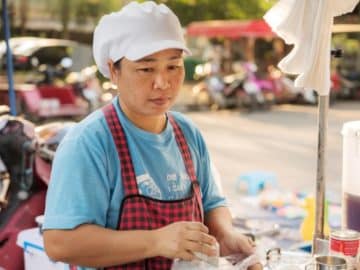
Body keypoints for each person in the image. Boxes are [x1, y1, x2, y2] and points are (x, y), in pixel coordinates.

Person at [43, 1, 262, 270]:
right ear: (114, 70)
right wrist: (156, 241)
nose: (163, 83)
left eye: (173, 66)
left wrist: (225, 234)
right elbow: (59, 243)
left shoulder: (187, 133)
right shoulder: (89, 143)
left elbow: (212, 203)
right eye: (146, 69)